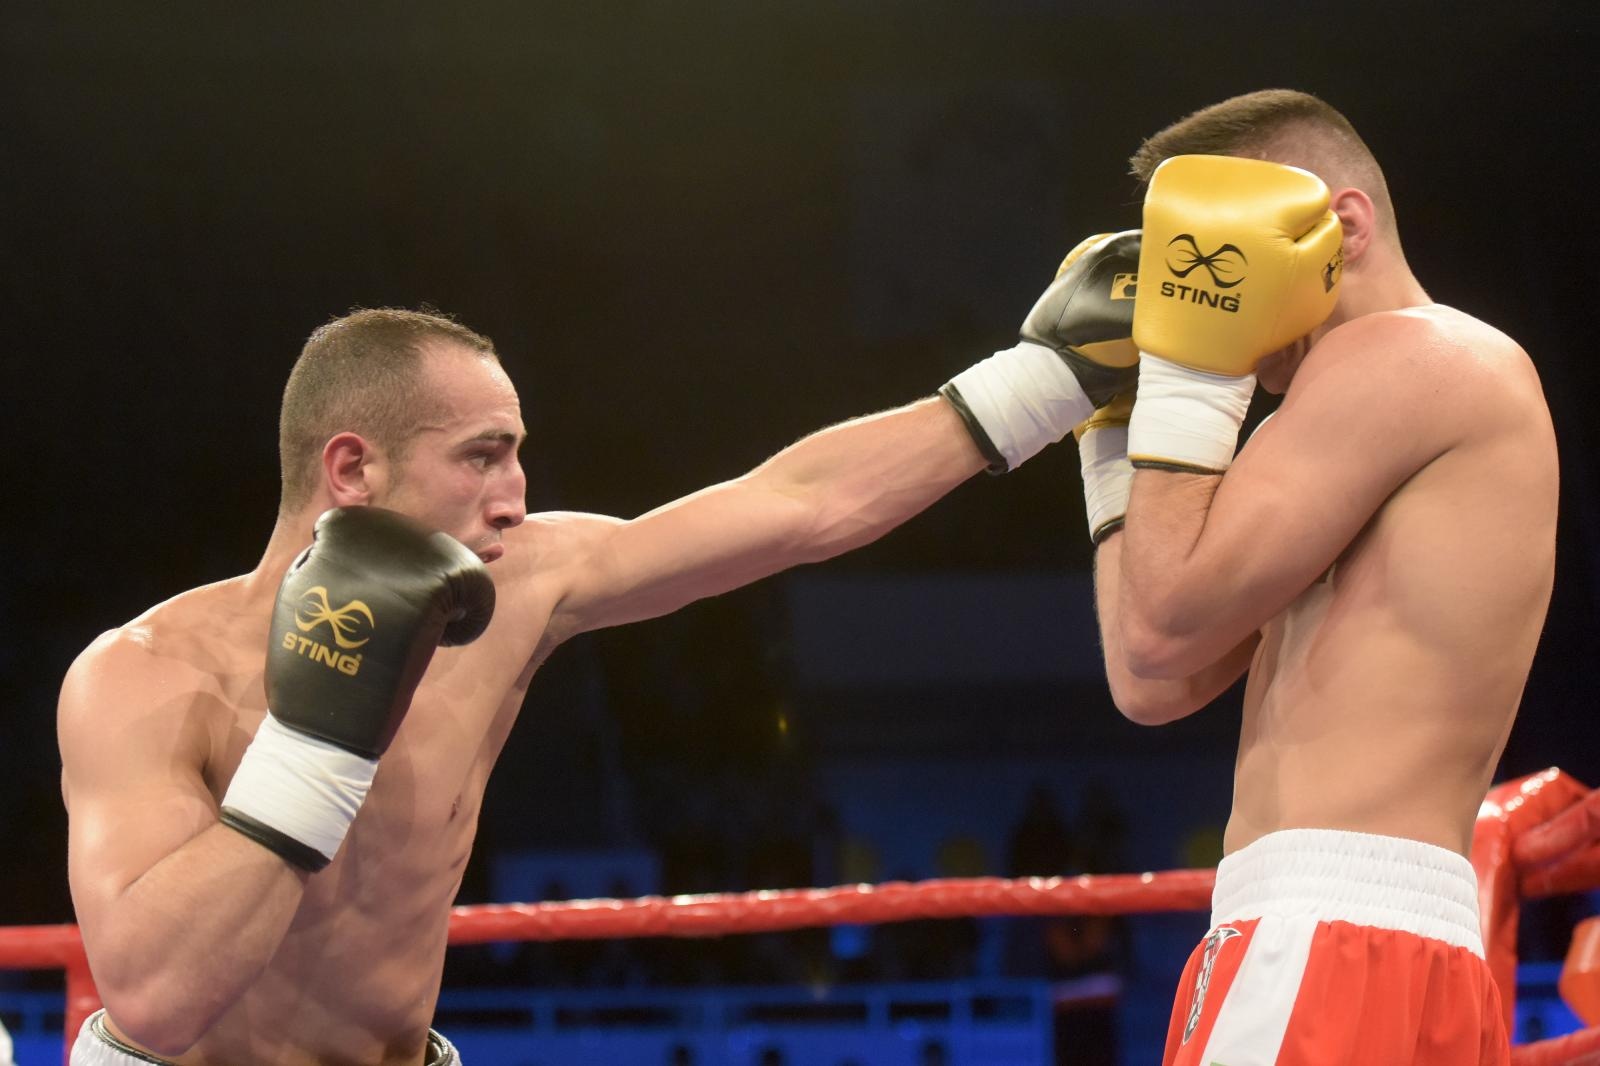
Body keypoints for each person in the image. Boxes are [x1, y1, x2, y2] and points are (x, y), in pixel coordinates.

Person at [58, 223, 1147, 1066]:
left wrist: (1049, 378)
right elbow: (156, 996)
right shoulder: (145, 675)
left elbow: (795, 504)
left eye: (519, 455)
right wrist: (320, 736)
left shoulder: (523, 585)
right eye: (483, 457)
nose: (516, 499)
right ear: (353, 471)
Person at [1067, 89, 1557, 1063]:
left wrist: (1178, 375)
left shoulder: (1408, 354)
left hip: (1323, 937)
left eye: (1211, 257)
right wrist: (1114, 430)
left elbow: (1157, 625)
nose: (1203, 291)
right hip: (1383, 942)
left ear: (1340, 226)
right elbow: (1150, 678)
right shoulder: (1368, 419)